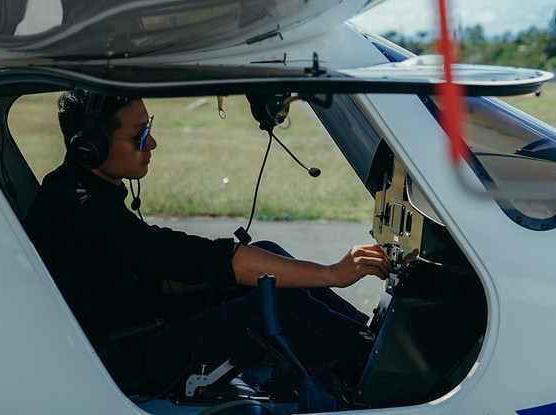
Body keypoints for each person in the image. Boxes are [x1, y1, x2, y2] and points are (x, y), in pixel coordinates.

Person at [23, 90, 392, 396]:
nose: (152, 142)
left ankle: (367, 337)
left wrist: (230, 275)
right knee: (274, 303)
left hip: (135, 323)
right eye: (138, 134)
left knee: (266, 257)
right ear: (89, 148)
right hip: (122, 359)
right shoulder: (83, 208)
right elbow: (202, 258)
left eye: (148, 127)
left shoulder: (74, 187)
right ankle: (382, 370)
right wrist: (333, 273)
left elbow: (162, 270)